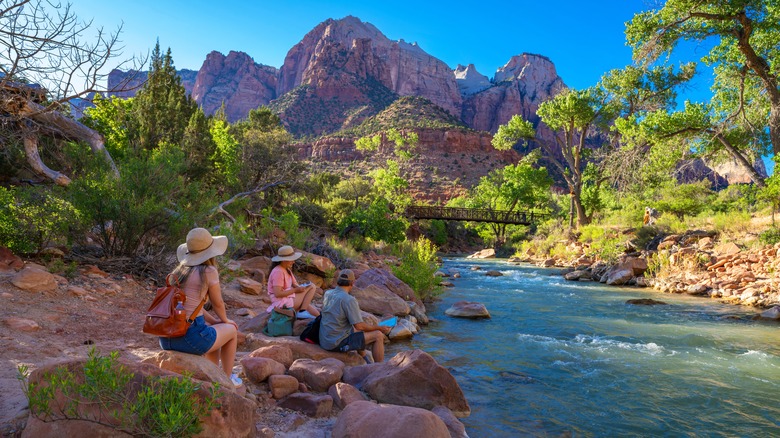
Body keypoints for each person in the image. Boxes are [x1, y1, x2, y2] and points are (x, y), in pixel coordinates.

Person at [159, 227, 241, 386]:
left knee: (213, 331)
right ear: (210, 252)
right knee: (231, 331)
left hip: (166, 338)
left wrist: (215, 322)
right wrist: (225, 320)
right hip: (189, 338)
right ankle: (227, 378)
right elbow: (218, 303)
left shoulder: (179, 271)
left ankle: (213, 373)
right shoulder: (208, 270)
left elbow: (192, 306)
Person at [319, 269, 391, 362]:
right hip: (336, 343)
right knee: (378, 335)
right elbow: (360, 326)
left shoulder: (328, 293)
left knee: (355, 330)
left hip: (325, 340)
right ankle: (379, 369)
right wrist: (379, 328)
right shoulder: (349, 300)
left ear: (338, 281)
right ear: (352, 283)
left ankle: (366, 359)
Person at [267, 245, 320, 318]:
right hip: (281, 302)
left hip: (288, 298)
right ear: (283, 260)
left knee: (317, 314)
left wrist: (301, 288)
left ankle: (306, 312)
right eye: (291, 259)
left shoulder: (287, 269)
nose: (293, 262)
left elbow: (294, 284)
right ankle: (302, 312)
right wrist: (295, 290)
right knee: (312, 287)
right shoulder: (278, 271)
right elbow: (277, 293)